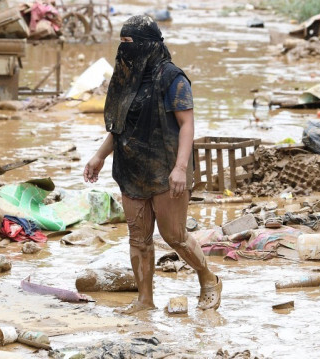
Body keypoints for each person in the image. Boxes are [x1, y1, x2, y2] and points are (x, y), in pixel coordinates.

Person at [83, 15, 222, 313]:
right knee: (139, 238)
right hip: (131, 168)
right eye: (121, 42)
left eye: (129, 42)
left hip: (166, 168)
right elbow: (119, 127)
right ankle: (145, 300)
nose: (124, 49)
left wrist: (181, 168)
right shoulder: (125, 79)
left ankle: (208, 278)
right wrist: (98, 156)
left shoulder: (173, 78)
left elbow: (187, 125)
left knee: (175, 237)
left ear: (147, 44)